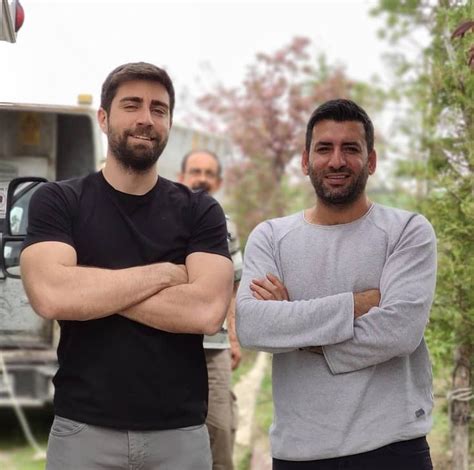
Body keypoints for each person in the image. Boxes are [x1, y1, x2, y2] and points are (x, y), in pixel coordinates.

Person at [20, 62, 234, 470]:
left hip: (180, 437)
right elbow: (50, 296)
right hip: (83, 432)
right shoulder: (60, 201)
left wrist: (87, 289)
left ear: (169, 122)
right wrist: (167, 275)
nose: (145, 119)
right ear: (103, 118)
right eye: (131, 105)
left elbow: (206, 311)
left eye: (159, 109)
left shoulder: (199, 211)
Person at [236, 99, 436, 470]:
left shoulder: (407, 231)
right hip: (300, 452)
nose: (336, 161)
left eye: (351, 149)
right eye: (324, 148)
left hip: (394, 448)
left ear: (371, 161)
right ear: (305, 160)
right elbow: (252, 326)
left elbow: (400, 332)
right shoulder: (271, 237)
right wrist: (356, 305)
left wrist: (293, 327)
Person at [179, 149, 242, 470]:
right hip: (170, 342)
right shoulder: (163, 219)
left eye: (208, 173)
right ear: (181, 177)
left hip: (214, 345)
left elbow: (234, 284)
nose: (201, 178)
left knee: (218, 425)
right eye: (195, 171)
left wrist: (233, 338)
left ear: (217, 182)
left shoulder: (226, 226)